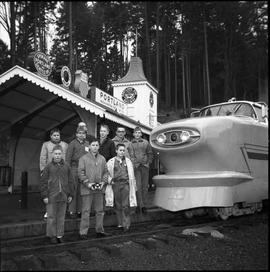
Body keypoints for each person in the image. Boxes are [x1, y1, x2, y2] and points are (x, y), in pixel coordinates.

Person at [40, 145, 74, 244]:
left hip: (63, 195)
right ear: (52, 154)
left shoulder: (67, 166)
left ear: (62, 154)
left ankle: (60, 235)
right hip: (51, 195)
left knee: (61, 216)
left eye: (59, 154)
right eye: (56, 154)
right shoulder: (48, 167)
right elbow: (43, 182)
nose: (58, 156)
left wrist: (70, 194)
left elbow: (71, 181)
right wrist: (45, 195)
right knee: (51, 217)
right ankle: (52, 235)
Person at [78, 138, 109, 239]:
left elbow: (106, 172)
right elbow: (80, 173)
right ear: (89, 146)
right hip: (87, 189)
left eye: (96, 145)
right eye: (93, 145)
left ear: (99, 146)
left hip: (99, 189)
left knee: (100, 211)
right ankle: (83, 232)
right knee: (86, 211)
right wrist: (88, 183)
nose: (95, 147)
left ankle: (99, 230)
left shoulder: (102, 159)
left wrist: (103, 183)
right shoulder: (83, 158)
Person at [106, 144, 137, 232]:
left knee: (125, 205)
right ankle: (120, 223)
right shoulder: (111, 161)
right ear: (116, 151)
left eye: (123, 150)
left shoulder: (128, 161)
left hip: (125, 185)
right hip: (115, 184)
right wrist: (109, 180)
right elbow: (106, 173)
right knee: (118, 205)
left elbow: (132, 175)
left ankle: (126, 224)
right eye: (120, 150)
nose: (122, 152)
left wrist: (134, 185)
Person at [39, 128, 68, 219]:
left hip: (62, 171)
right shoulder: (46, 145)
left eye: (58, 135)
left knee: (62, 190)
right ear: (51, 136)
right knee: (50, 191)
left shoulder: (65, 145)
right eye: (54, 135)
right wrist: (43, 170)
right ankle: (48, 211)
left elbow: (67, 158)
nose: (56, 137)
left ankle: (61, 211)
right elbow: (43, 158)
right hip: (50, 171)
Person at [65, 126, 89, 219]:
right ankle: (72, 210)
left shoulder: (87, 144)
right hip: (74, 168)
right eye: (79, 133)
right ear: (76, 134)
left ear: (85, 135)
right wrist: (68, 170)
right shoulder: (72, 144)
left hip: (85, 169)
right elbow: (68, 158)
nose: (81, 135)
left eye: (83, 133)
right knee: (73, 190)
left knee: (82, 190)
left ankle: (80, 210)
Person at [130, 126, 153, 214]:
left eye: (139, 133)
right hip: (136, 167)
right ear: (133, 134)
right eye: (136, 133)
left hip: (145, 167)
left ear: (141, 134)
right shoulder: (131, 144)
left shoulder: (146, 142)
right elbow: (131, 156)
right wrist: (135, 164)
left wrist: (148, 162)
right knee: (138, 186)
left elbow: (150, 153)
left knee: (144, 186)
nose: (137, 134)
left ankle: (144, 205)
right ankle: (139, 205)